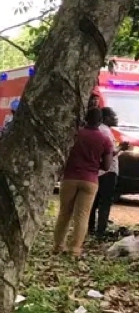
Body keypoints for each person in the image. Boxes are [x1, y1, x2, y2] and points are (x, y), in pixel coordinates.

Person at [53, 108, 114, 255]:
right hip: (90, 180)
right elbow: (106, 165)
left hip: (70, 178)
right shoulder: (105, 139)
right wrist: (93, 164)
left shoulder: (74, 135)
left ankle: (58, 246)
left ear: (85, 118)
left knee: (64, 213)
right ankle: (75, 249)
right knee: (82, 215)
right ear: (100, 121)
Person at [89, 107, 129, 239]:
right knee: (105, 202)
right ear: (106, 118)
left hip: (97, 171)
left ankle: (90, 228)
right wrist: (121, 148)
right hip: (108, 171)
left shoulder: (99, 130)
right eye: (113, 116)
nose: (116, 118)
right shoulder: (105, 132)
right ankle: (101, 230)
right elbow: (109, 153)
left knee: (94, 201)